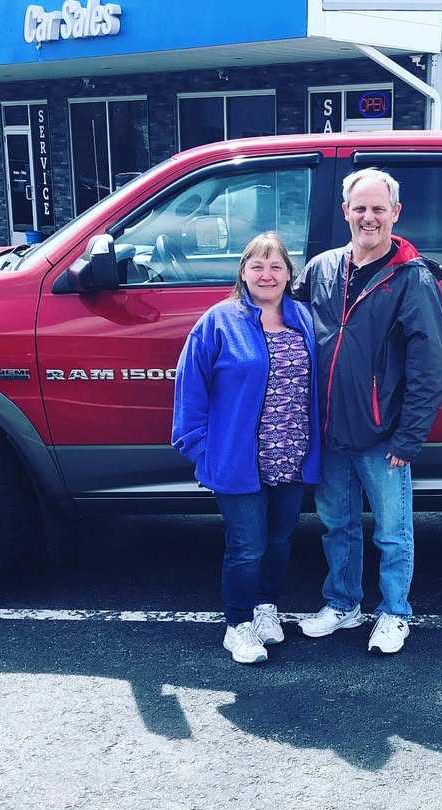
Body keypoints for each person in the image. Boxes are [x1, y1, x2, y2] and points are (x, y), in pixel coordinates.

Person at [294, 168, 442, 655]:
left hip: (383, 434)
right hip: (329, 430)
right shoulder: (321, 269)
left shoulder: (412, 278)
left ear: (395, 213)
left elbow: (428, 365)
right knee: (336, 526)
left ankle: (395, 612)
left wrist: (409, 436)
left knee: (392, 533)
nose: (369, 217)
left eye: (379, 208)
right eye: (360, 208)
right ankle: (342, 603)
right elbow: (280, 316)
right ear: (346, 212)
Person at [172, 232, 321, 664]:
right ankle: (237, 625)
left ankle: (265, 608)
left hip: (292, 455)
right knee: (246, 547)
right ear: (243, 272)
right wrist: (201, 448)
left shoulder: (305, 319)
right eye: (257, 266)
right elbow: (190, 388)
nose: (266, 274)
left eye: (276, 266)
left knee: (280, 540)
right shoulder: (218, 322)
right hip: (237, 460)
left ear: (289, 274)